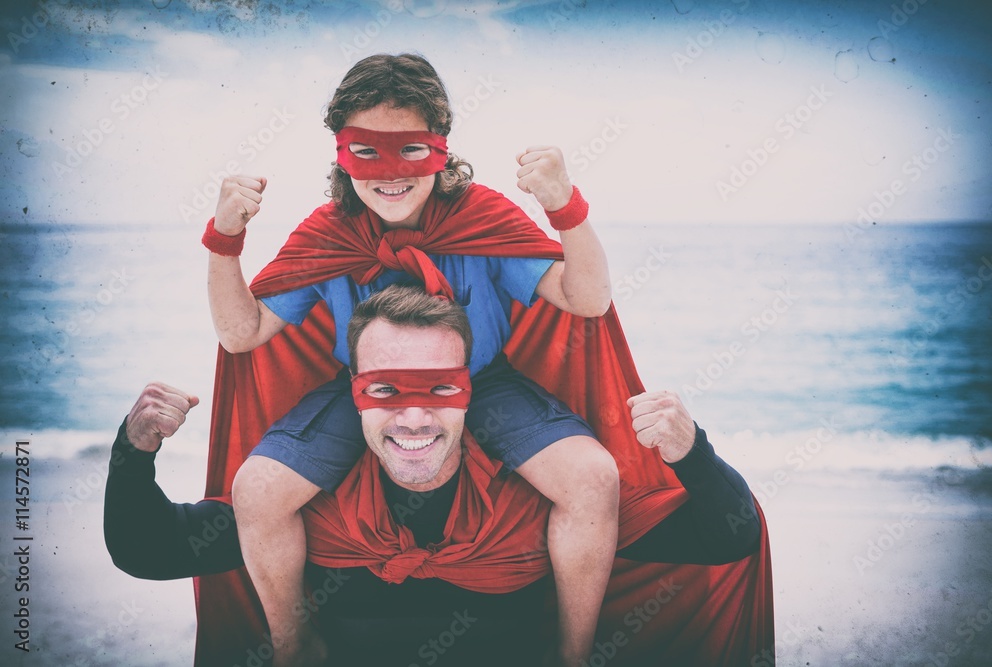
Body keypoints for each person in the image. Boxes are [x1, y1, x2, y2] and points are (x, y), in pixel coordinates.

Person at [204, 53, 619, 665]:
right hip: (367, 395)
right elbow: (244, 335)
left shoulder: (481, 217)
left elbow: (587, 299)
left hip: (483, 384)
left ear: (442, 150)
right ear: (341, 155)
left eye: (410, 151)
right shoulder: (328, 232)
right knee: (258, 490)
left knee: (593, 479)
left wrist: (566, 207)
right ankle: (294, 645)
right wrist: (224, 240)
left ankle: (572, 653)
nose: (389, 173)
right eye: (367, 152)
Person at [105, 285, 766, 666]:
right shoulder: (302, 509)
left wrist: (692, 454)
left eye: (439, 388)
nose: (415, 415)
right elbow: (148, 548)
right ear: (353, 396)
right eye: (387, 388)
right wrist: (133, 451)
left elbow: (726, 535)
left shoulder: (545, 504)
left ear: (470, 394)